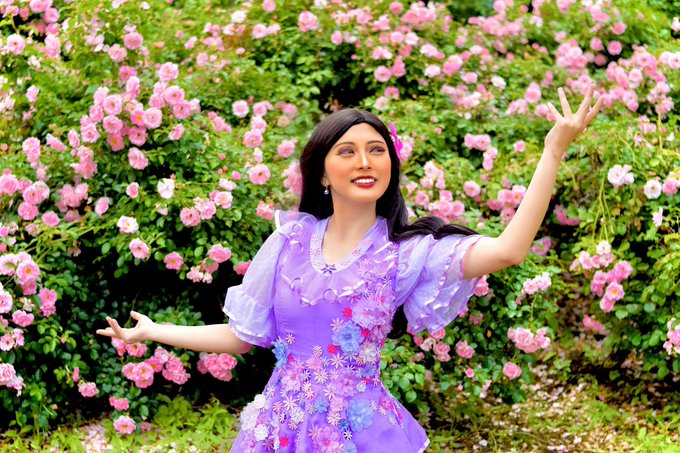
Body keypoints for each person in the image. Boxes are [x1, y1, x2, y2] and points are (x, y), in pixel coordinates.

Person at [98, 86, 603, 452]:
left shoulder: (408, 252)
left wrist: (552, 151)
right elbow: (242, 336)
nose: (365, 161)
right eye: (348, 151)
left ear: (390, 167)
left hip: (360, 433)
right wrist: (153, 331)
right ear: (322, 172)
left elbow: (509, 250)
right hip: (279, 430)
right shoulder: (289, 240)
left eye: (376, 150)